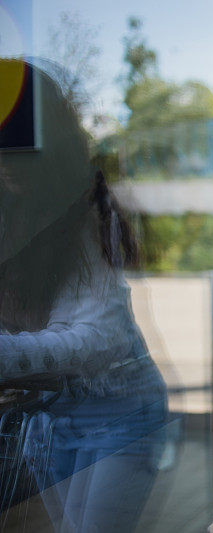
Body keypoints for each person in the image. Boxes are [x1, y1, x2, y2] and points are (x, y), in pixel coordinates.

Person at [0, 59, 167, 531]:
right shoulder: (11, 211)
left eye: (19, 142)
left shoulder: (82, 210)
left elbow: (99, 338)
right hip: (49, 420)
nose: (7, 158)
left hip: (121, 413)